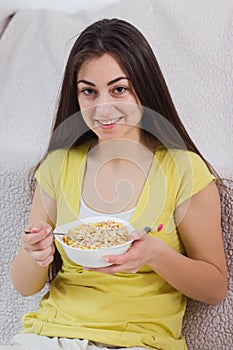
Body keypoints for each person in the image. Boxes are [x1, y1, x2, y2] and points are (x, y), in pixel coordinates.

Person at [2, 18, 227, 350]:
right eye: (89, 92)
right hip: (51, 333)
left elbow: (215, 288)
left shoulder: (183, 170)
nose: (103, 108)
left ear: (144, 89)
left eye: (119, 89)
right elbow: (24, 286)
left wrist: (155, 255)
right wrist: (35, 251)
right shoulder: (59, 164)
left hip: (141, 341)